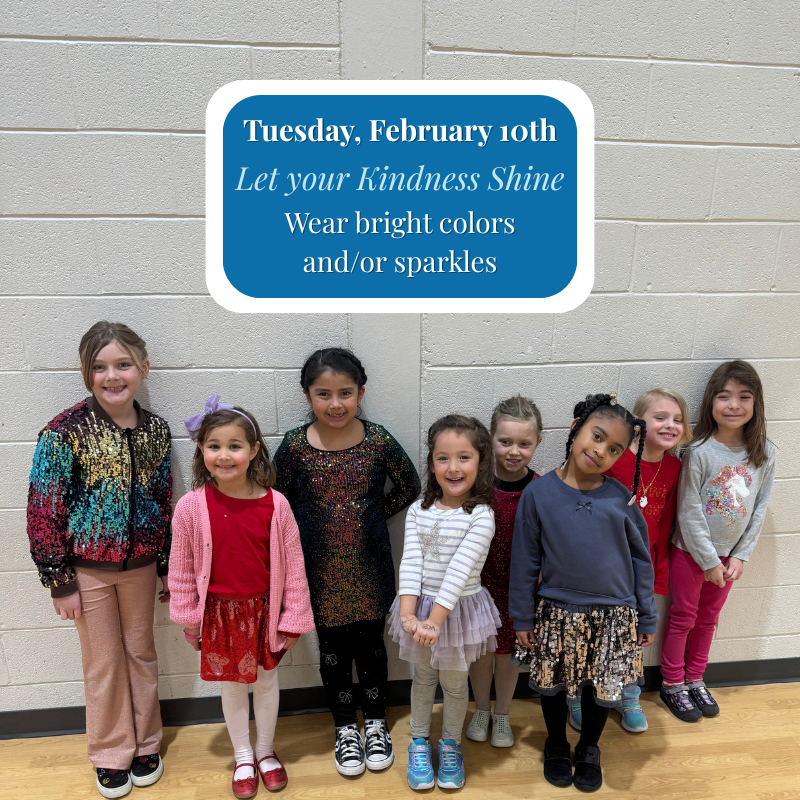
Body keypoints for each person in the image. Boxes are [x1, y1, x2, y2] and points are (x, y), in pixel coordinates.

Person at [27, 321, 171, 799]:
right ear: (86, 373)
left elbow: (162, 499)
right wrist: (59, 580)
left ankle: (147, 741)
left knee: (141, 654)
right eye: (100, 367)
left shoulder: (156, 430)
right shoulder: (63, 432)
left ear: (143, 369)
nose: (113, 376)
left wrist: (167, 564)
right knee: (104, 662)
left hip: (142, 567)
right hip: (87, 571)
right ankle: (111, 753)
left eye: (124, 365)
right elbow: (44, 509)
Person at [274, 348, 421, 777]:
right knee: (334, 651)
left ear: (361, 393)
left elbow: (409, 485)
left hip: (371, 566)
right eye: (323, 394)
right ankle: (344, 727)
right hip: (317, 572)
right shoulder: (296, 447)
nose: (335, 404)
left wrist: (372, 515)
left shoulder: (378, 440)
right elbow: (277, 500)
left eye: (345, 393)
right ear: (307, 396)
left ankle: (375, 721)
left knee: (372, 647)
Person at [510, 392, 657, 792]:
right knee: (553, 685)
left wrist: (646, 615)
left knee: (601, 690)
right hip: (557, 612)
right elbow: (525, 562)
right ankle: (556, 742)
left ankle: (589, 747)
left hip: (614, 616)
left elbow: (643, 561)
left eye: (614, 449)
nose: (600, 451)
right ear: (576, 430)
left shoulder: (621, 499)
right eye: (596, 437)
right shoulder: (537, 495)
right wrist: (521, 617)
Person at [169, 396, 314, 798]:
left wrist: (294, 616)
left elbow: (295, 568)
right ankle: (244, 756)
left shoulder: (276, 504)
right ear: (201, 449)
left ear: (253, 451)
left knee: (267, 683)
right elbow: (180, 569)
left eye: (235, 446)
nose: (225, 455)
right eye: (214, 445)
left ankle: (267, 753)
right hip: (218, 615)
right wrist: (187, 616)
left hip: (263, 614)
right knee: (232, 687)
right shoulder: (190, 508)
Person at [568, 388, 690, 734]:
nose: (670, 425)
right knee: (588, 635)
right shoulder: (613, 460)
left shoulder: (674, 467)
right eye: (660, 417)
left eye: (678, 419)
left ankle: (629, 695)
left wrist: (658, 577)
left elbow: (665, 525)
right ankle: (577, 695)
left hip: (639, 571)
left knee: (632, 638)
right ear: (638, 424)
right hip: (600, 571)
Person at [389, 414, 500, 791]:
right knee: (422, 679)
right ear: (432, 462)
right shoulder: (419, 510)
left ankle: (449, 744)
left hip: (457, 614)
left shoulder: (481, 515)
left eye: (464, 457)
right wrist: (407, 613)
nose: (453, 467)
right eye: (443, 458)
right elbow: (411, 562)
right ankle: (419, 741)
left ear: (480, 463)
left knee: (455, 685)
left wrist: (435, 621)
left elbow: (458, 573)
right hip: (420, 610)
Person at [660, 361, 776, 722]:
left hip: (729, 559)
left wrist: (740, 555)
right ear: (711, 402)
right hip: (691, 554)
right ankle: (672, 683)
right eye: (724, 396)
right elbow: (689, 511)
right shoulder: (697, 451)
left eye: (744, 396)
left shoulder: (765, 453)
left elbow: (759, 509)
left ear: (756, 404)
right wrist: (708, 560)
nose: (734, 405)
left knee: (709, 619)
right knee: (683, 617)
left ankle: (696, 678)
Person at [466, 396, 542, 748]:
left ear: (537, 443)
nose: (514, 451)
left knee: (508, 655)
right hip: (477, 586)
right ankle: (481, 708)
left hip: (518, 589)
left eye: (524, 444)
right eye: (505, 441)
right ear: (491, 439)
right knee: (481, 652)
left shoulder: (540, 489)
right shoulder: (476, 484)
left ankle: (503, 713)